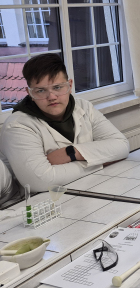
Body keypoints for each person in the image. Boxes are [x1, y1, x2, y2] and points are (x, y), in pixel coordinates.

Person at [0, 53, 130, 193]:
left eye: (57, 87)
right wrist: (100, 161)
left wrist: (71, 153)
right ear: (29, 93)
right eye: (41, 90)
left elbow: (122, 146)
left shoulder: (83, 107)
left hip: (86, 187)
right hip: (38, 201)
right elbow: (41, 182)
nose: (51, 97)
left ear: (70, 85)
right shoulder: (17, 126)